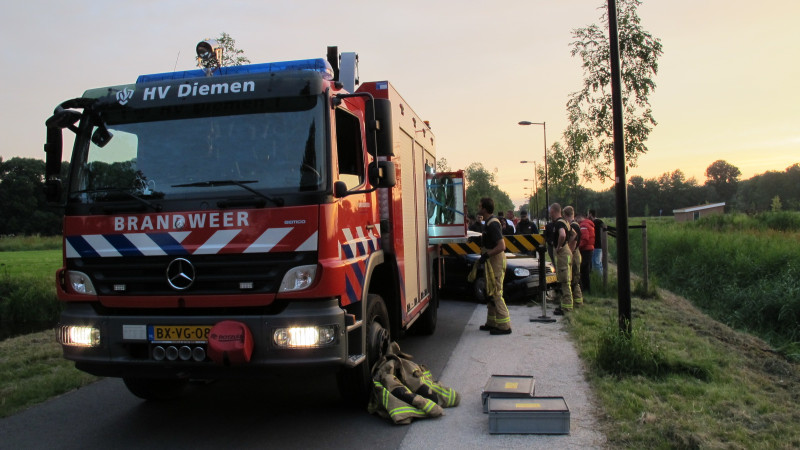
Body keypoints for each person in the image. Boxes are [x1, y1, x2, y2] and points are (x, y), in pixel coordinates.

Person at [477, 197, 512, 335]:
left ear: (485, 209)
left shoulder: (493, 224)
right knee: (490, 292)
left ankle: (505, 326)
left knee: (496, 293)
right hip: (491, 262)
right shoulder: (488, 222)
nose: (478, 207)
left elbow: (502, 246)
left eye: (480, 205)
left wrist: (487, 254)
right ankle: (492, 323)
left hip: (496, 261)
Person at [549, 203, 573, 315]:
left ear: (553, 211)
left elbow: (562, 235)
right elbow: (573, 234)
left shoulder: (559, 223)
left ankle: (567, 308)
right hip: (566, 252)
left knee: (564, 280)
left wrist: (559, 246)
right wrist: (568, 246)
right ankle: (565, 305)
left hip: (563, 254)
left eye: (550, 212)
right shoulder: (565, 222)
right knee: (565, 279)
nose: (550, 214)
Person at [564, 206, 583, 307]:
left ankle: (577, 302)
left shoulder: (573, 226)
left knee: (574, 280)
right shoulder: (576, 224)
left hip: (574, 254)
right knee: (575, 279)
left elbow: (574, 241)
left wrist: (569, 253)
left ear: (565, 215)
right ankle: (577, 301)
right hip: (576, 253)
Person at [578, 211, 595, 295]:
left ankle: (583, 289)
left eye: (576, 219)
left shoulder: (583, 225)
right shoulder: (589, 224)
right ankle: (587, 290)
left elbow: (585, 239)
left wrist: (578, 246)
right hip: (589, 249)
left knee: (582, 270)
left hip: (585, 250)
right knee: (586, 271)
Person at [588, 209, 604, 277]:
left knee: (596, 263)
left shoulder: (595, 222)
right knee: (598, 263)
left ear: (590, 214)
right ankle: (600, 278)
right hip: (598, 246)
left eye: (588, 214)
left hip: (596, 246)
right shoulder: (599, 222)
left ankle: (598, 278)